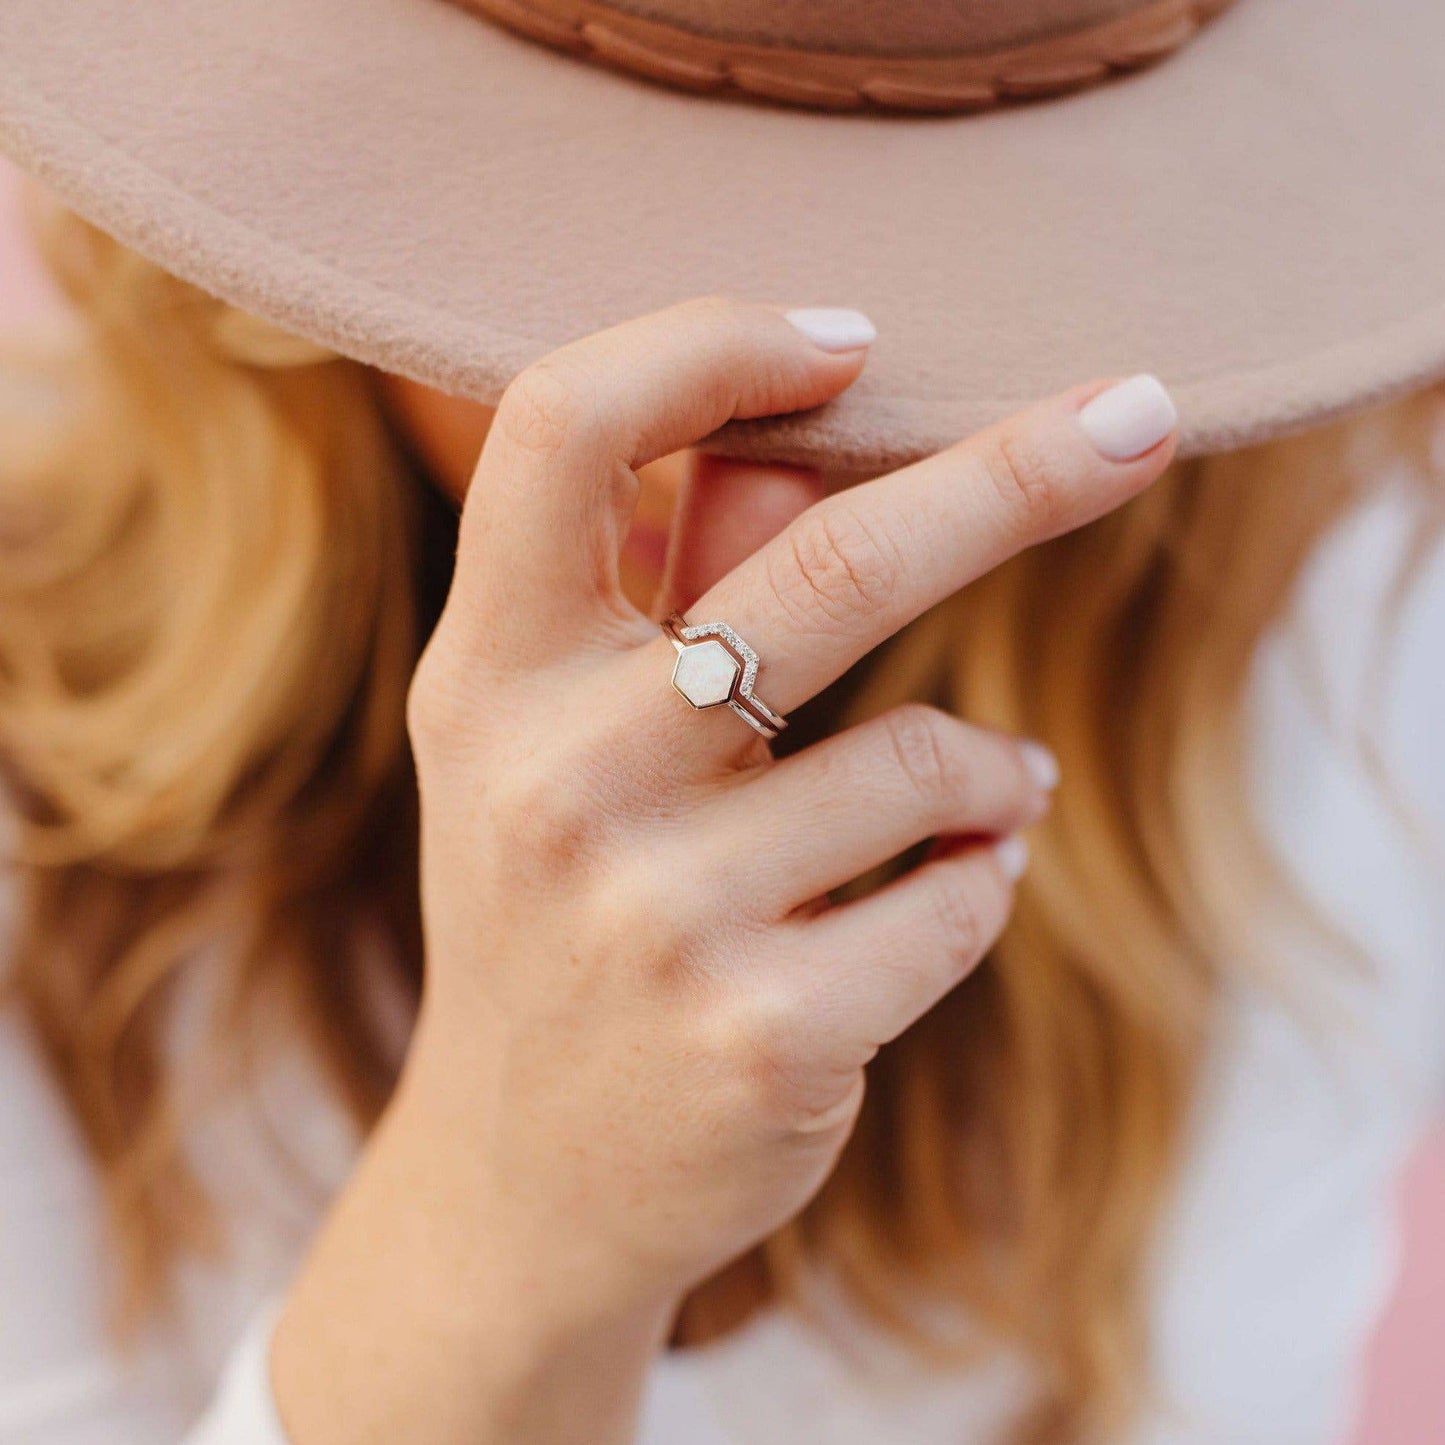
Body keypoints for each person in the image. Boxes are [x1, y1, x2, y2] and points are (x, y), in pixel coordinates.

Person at [0, 1, 1442, 1442]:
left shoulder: (1342, 666)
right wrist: (499, 1230)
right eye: (562, 247)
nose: (708, 431)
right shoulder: (33, 766)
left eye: (911, 287)